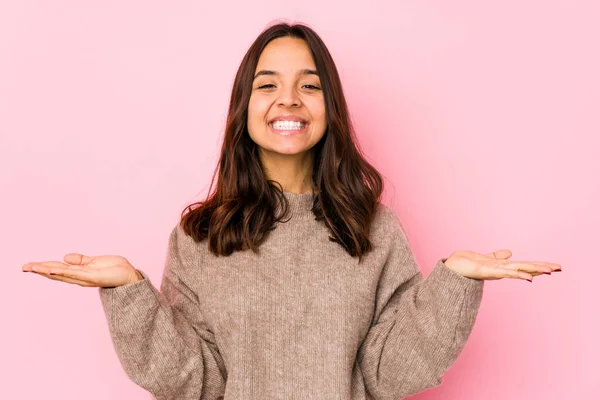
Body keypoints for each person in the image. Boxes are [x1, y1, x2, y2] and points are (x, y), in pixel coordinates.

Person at [22, 22, 561, 400]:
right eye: (267, 85)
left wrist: (453, 283)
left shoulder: (373, 229)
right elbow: (196, 380)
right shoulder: (200, 235)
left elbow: (389, 373)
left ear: (331, 106)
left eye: (310, 85)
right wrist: (128, 290)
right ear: (245, 108)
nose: (289, 100)